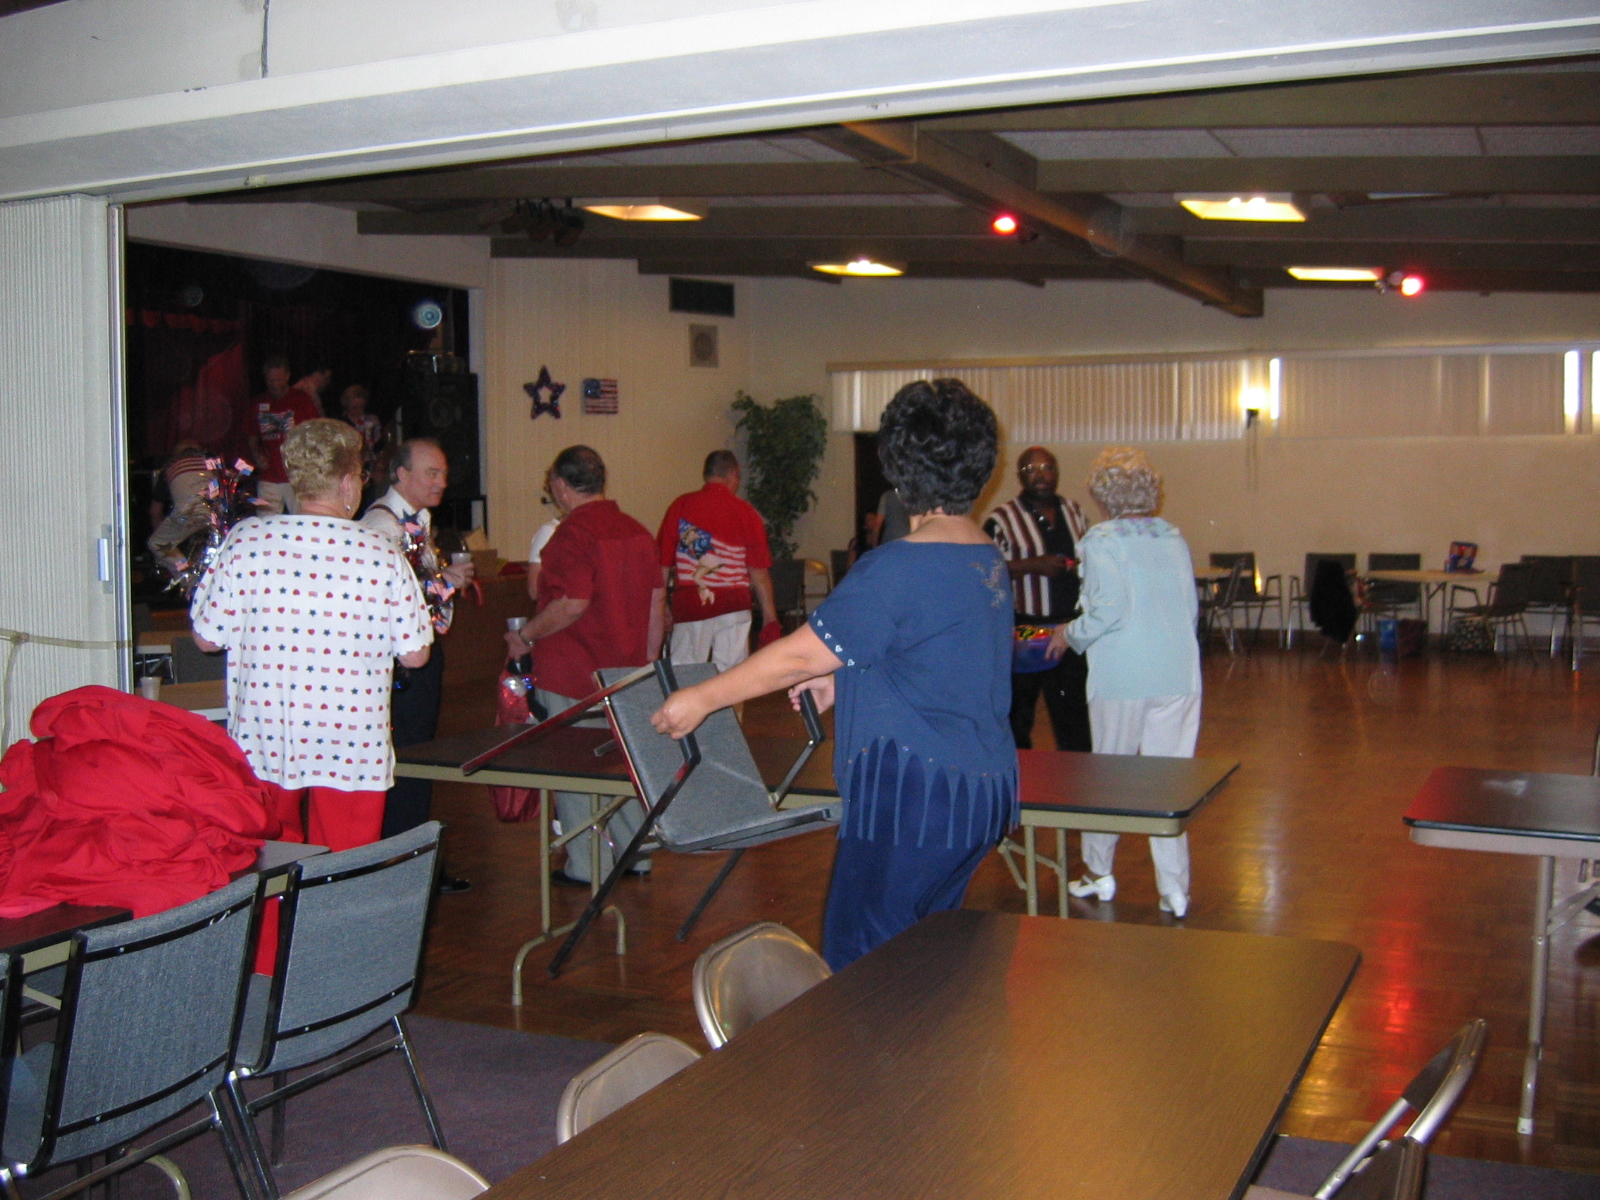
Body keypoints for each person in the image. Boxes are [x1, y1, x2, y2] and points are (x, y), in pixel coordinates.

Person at [651, 379, 1015, 970]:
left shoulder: (897, 565)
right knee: (929, 963)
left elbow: (798, 656)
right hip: (978, 794)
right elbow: (940, 659)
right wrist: (846, 680)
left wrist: (702, 697)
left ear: (896, 467)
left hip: (912, 799)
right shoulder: (985, 556)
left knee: (862, 968)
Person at [190, 419, 432, 853]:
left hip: (267, 734)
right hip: (350, 739)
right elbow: (415, 655)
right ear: (347, 482)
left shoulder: (247, 540)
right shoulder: (380, 552)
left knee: (268, 861)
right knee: (343, 865)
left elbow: (207, 639)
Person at [1049, 447, 1202, 918]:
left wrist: (1068, 634)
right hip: (1179, 672)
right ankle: (1174, 888)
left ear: (1103, 495)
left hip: (1123, 675)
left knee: (1110, 778)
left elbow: (1108, 610)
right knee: (1168, 783)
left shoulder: (1101, 540)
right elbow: (1190, 608)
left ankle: (1099, 872)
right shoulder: (1172, 537)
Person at [504, 446, 663, 885]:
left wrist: (526, 636)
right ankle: (638, 854)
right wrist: (646, 661)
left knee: (572, 768)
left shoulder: (571, 535)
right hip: (624, 670)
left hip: (573, 670)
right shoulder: (636, 530)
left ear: (560, 485)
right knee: (619, 765)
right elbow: (656, 602)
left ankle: (587, 865)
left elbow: (572, 602)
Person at [362, 438, 476, 893]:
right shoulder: (379, 525)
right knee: (406, 759)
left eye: (444, 473)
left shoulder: (419, 522)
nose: (441, 482)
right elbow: (384, 599)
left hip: (419, 654)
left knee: (417, 757)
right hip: (398, 664)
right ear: (401, 474)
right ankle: (400, 864)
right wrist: (442, 582)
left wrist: (444, 584)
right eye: (432, 472)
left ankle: (414, 860)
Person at [985, 447, 1092, 752]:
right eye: (1031, 469)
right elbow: (985, 570)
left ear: (1056, 472)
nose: (1040, 475)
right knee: (1019, 716)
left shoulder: (1075, 513)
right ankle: (1022, 774)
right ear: (1020, 476)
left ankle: (1077, 775)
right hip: (1025, 630)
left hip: (1069, 630)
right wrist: (1032, 565)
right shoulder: (1002, 519)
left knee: (1073, 715)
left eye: (1047, 467)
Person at [657, 450, 780, 672]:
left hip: (693, 603)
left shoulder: (681, 506)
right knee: (732, 675)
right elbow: (759, 573)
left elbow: (662, 565)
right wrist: (770, 616)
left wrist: (661, 605)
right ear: (732, 474)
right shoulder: (746, 512)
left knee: (686, 673)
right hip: (734, 605)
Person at [249, 355, 319, 514]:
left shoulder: (301, 399)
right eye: (270, 381)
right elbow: (251, 437)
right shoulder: (258, 403)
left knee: (303, 519)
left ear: (287, 376)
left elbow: (315, 432)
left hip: (297, 475)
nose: (274, 385)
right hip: (268, 476)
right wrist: (257, 454)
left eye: (278, 380)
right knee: (265, 521)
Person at [147, 441, 214, 579]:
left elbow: (155, 512)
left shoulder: (169, 469)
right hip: (216, 514)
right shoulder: (211, 464)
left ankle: (187, 575)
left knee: (158, 543)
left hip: (189, 514)